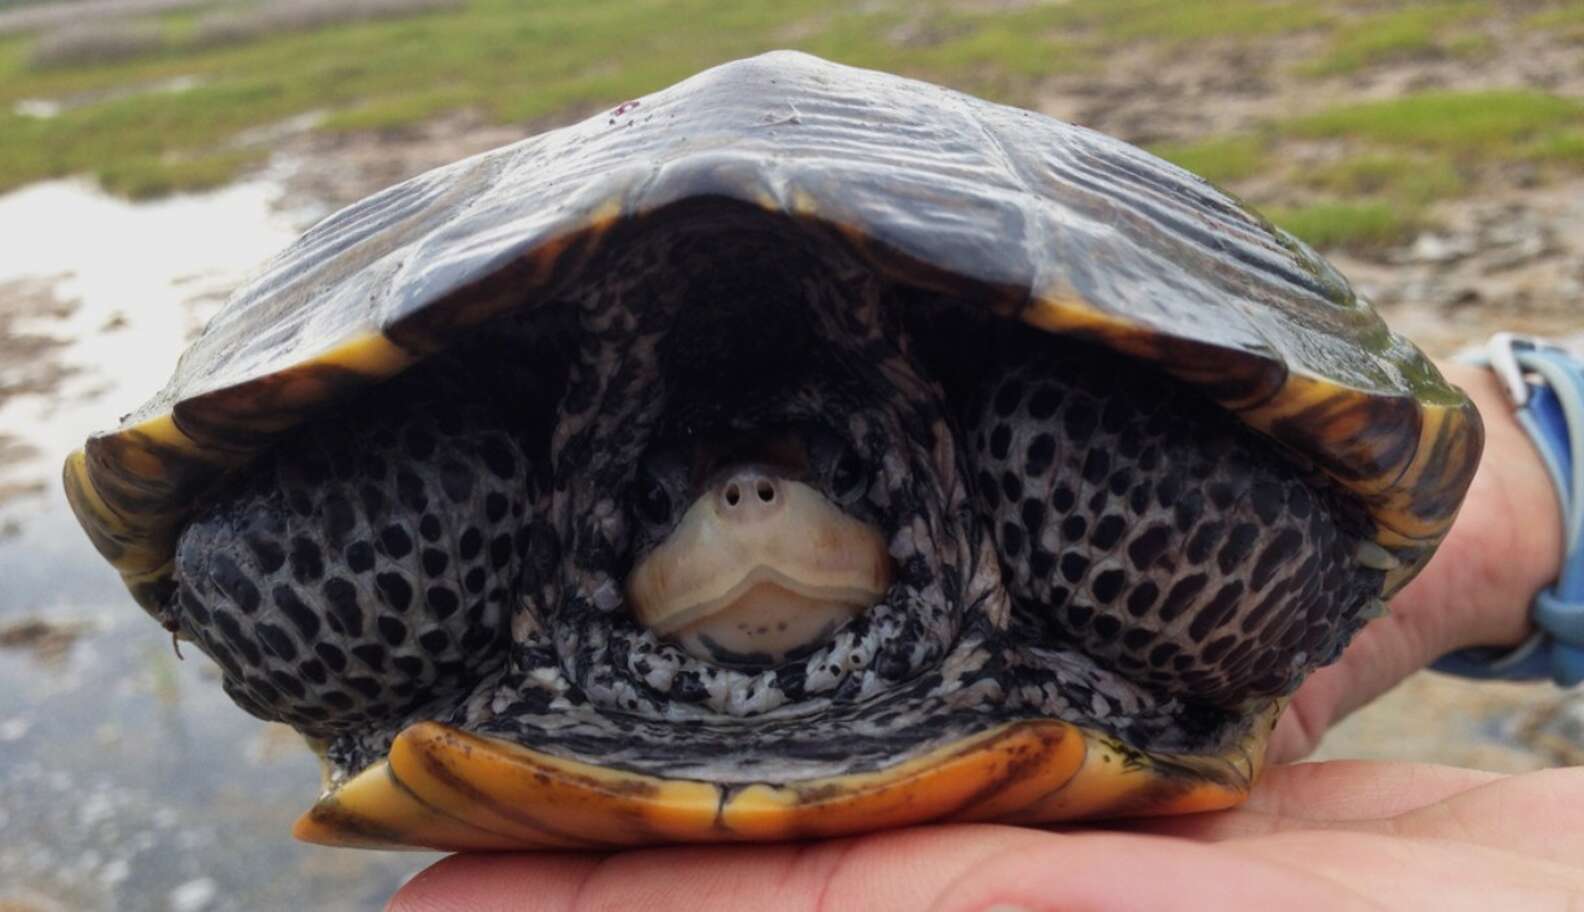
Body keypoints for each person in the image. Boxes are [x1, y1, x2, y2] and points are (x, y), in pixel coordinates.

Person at [388, 356, 1584, 911]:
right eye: (669, 507)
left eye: (836, 481)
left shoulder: (1029, 496)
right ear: (590, 528)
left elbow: (1246, 516)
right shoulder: (508, 544)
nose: (749, 510)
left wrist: (1263, 602)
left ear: (918, 505)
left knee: (1074, 446)